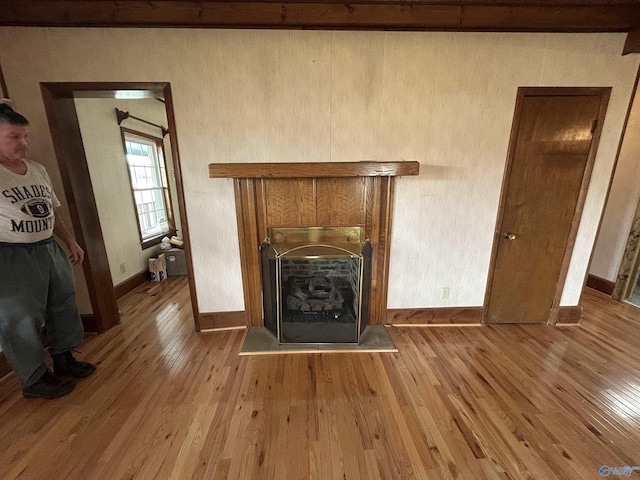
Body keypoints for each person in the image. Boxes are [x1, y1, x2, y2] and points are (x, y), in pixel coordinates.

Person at [0, 101, 95, 399]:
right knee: (22, 317)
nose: (24, 143)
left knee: (63, 303)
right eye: (14, 137)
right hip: (11, 254)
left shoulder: (38, 170)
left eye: (25, 136)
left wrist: (69, 240)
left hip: (48, 248)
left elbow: (51, 212)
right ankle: (34, 379)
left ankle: (64, 357)